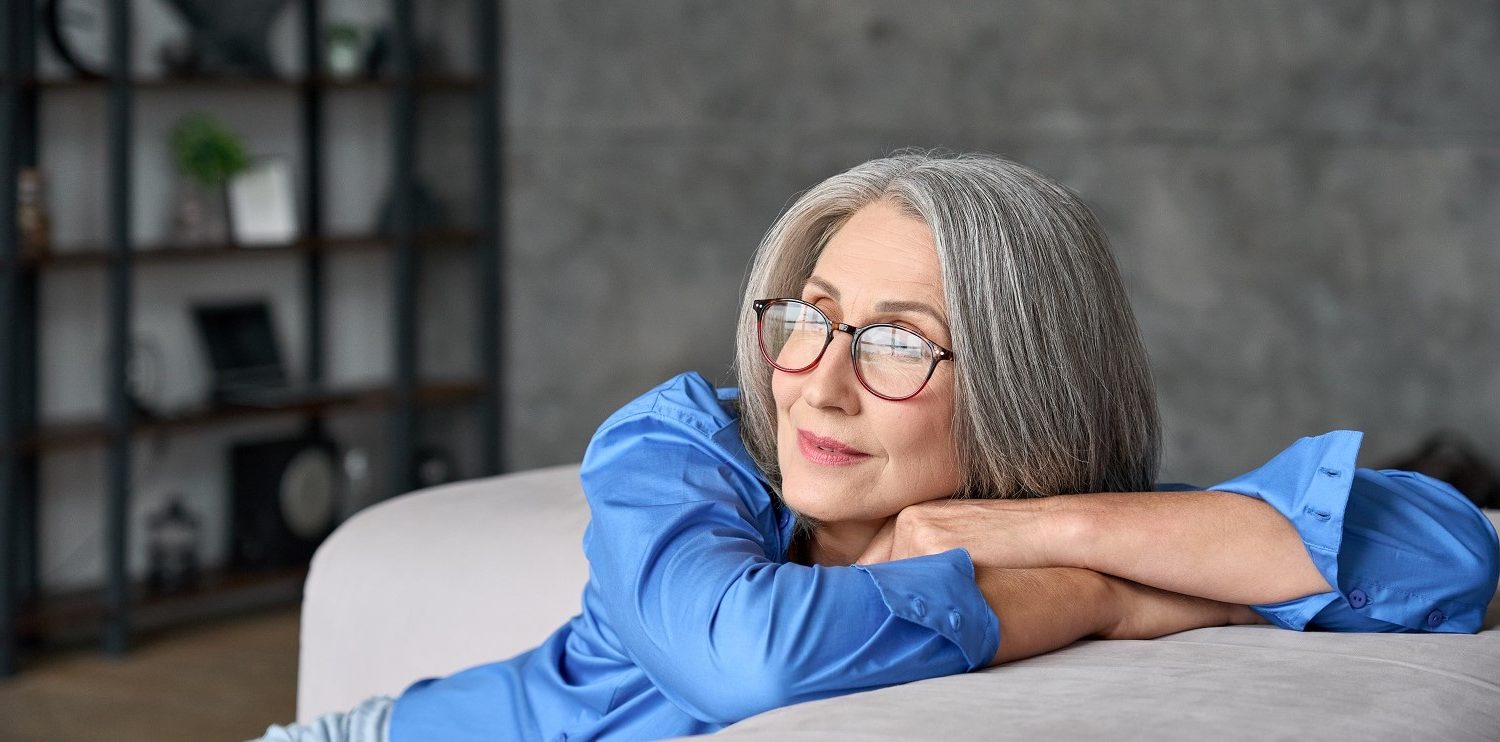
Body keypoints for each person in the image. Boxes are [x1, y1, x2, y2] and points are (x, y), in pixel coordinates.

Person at [253, 151, 1499, 742]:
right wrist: (1086, 599)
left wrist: (1042, 534)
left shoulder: (1046, 525)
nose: (820, 385)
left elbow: (1446, 559)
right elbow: (747, 658)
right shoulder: (680, 448)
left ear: (1020, 385)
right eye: (807, 320)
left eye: (897, 344)